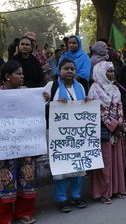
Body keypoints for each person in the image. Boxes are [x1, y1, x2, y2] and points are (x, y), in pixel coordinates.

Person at [0, 60, 49, 224]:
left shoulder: (28, 92)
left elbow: (37, 114)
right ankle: (4, 216)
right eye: (18, 74)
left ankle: (24, 212)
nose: (23, 76)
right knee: (5, 179)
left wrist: (44, 100)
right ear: (7, 76)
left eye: (22, 73)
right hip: (5, 148)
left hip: (25, 147)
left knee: (26, 177)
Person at [44, 58, 91, 213]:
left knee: (78, 164)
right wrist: (54, 103)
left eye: (72, 69)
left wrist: (87, 102)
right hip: (57, 133)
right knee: (61, 165)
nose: (70, 71)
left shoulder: (81, 87)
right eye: (66, 68)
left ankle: (76, 196)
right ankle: (61, 198)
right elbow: (41, 103)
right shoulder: (52, 85)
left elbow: (82, 107)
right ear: (59, 70)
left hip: (76, 133)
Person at [88, 61, 126, 204]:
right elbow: (97, 111)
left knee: (117, 161)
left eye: (112, 71)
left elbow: (120, 108)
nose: (112, 74)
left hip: (116, 132)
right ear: (101, 72)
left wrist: (121, 126)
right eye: (109, 71)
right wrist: (114, 125)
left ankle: (116, 189)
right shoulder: (94, 89)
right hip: (104, 130)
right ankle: (103, 192)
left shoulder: (115, 89)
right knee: (105, 163)